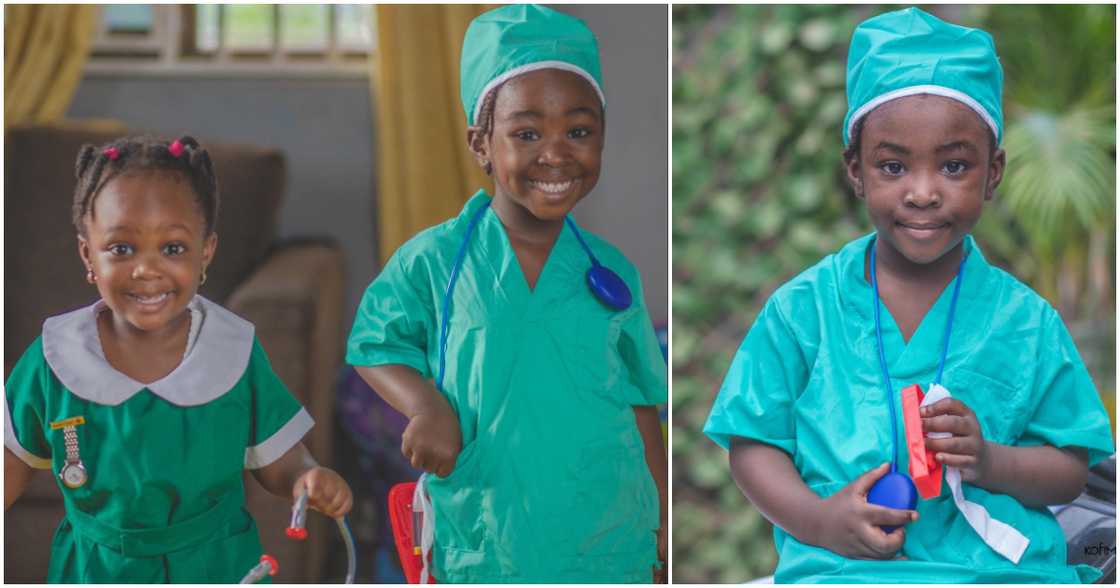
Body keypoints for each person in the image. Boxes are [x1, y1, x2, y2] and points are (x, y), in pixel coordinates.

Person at [704, 7, 1114, 583]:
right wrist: (820, 522)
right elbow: (752, 444)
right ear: (856, 170)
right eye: (893, 166)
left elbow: (1069, 469)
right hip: (843, 571)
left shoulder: (1026, 321)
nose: (923, 193)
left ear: (993, 173)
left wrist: (991, 460)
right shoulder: (804, 311)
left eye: (953, 166)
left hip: (991, 574)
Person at [347, 4, 667, 583]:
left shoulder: (612, 271)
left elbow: (641, 399)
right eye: (526, 133)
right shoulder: (434, 261)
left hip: (609, 541)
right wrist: (427, 405)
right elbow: (374, 344)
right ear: (480, 144)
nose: (557, 153)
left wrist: (665, 524)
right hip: (488, 537)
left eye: (579, 131)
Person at [3, 135, 353, 583]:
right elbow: (9, 464)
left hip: (217, 566)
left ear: (205, 251)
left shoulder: (232, 349)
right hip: (97, 570)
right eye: (122, 248)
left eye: (172, 248)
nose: (147, 270)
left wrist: (306, 477)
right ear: (88, 254)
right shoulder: (57, 356)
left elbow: (278, 459)